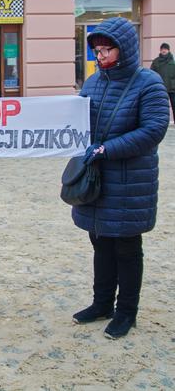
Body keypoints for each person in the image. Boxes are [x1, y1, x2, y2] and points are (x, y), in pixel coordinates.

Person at [72, 17, 170, 339]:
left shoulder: (149, 82)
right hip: (96, 179)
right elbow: (77, 120)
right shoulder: (93, 82)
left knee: (126, 248)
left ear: (124, 48)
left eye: (106, 49)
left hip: (130, 180)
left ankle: (126, 311)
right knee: (99, 241)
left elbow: (153, 129)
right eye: (97, 50)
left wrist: (107, 149)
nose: (100, 56)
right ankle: (101, 303)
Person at [150, 42, 175, 121]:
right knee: (161, 108)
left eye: (165, 49)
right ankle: (161, 122)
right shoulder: (156, 62)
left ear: (168, 50)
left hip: (172, 89)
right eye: (162, 49)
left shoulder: (173, 62)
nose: (164, 51)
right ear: (160, 50)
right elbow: (152, 74)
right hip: (161, 88)